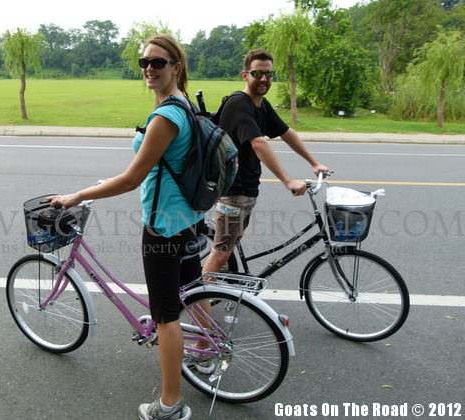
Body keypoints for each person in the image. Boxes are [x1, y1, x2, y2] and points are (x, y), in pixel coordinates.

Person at [49, 34, 198, 420]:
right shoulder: (181, 105)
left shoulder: (167, 117)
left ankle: (170, 404)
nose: (149, 68)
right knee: (192, 292)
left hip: (164, 225)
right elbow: (147, 169)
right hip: (188, 218)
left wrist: (77, 196)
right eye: (144, 62)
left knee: (166, 315)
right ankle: (208, 356)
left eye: (158, 62)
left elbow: (133, 179)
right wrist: (101, 185)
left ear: (176, 68)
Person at [203, 48, 330, 276]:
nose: (264, 79)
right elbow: (258, 143)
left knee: (227, 248)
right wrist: (288, 181)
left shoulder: (260, 104)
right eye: (257, 73)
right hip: (233, 193)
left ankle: (217, 288)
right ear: (245, 75)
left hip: (247, 191)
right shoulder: (239, 104)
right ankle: (197, 304)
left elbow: (286, 132)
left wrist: (314, 162)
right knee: (221, 253)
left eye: (269, 74)